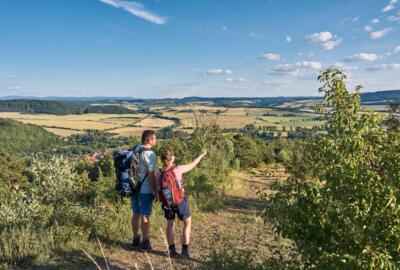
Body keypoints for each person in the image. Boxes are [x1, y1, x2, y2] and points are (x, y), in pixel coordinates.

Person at [158, 148, 207, 258]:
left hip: (167, 204)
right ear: (173, 158)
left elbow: (157, 188)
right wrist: (202, 155)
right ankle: (185, 250)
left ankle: (172, 250)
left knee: (170, 224)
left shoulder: (159, 173)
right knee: (187, 222)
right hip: (180, 201)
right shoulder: (178, 169)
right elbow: (193, 164)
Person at [131, 130, 159, 250]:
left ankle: (135, 238)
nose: (156, 140)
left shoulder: (135, 149)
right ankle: (145, 241)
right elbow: (152, 175)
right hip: (145, 189)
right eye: (154, 138)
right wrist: (155, 191)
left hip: (133, 187)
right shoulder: (150, 154)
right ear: (149, 140)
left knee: (136, 213)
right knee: (145, 215)